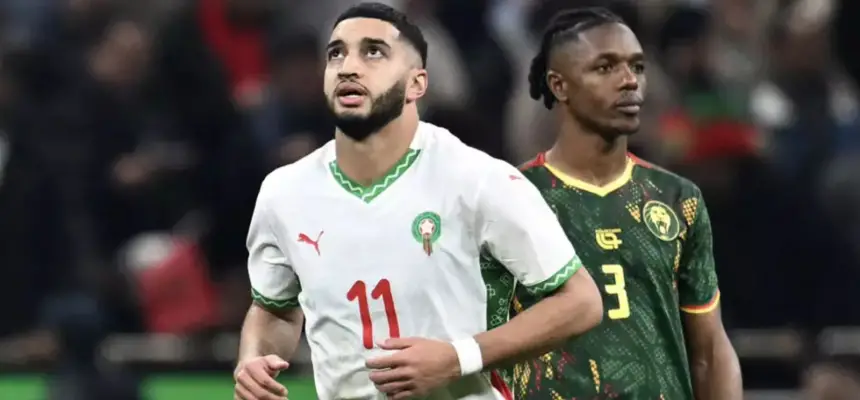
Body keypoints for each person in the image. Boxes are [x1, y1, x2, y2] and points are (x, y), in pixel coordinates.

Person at [233, 3, 604, 400]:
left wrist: (458, 358)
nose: (348, 66)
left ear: (417, 83)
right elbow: (275, 309)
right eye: (336, 53)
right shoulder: (284, 192)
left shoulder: (477, 179)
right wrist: (254, 359)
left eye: (373, 52)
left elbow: (580, 302)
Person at [493, 7, 742, 399]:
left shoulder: (678, 198)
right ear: (559, 85)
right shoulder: (511, 198)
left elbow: (709, 350)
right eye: (605, 67)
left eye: (637, 67)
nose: (629, 81)